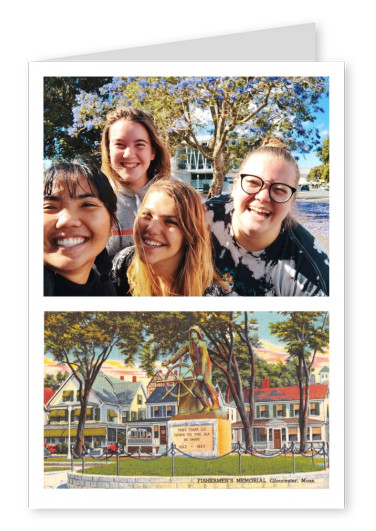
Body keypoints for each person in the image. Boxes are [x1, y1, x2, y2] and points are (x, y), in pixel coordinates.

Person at [206, 137, 329, 296]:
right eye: (253, 183)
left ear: (292, 201)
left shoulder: (311, 274)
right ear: (235, 186)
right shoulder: (202, 217)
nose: (263, 197)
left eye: (279, 189)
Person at [111, 180, 225, 296]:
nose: (151, 229)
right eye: (147, 215)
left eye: (170, 221)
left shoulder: (210, 293)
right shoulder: (122, 264)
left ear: (190, 234)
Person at [101, 106, 171, 256]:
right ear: (108, 151)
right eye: (119, 144)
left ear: (152, 152)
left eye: (139, 145)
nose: (129, 154)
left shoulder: (176, 197)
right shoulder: (95, 200)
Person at [43, 159, 118, 296]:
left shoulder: (107, 291)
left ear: (112, 223)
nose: (67, 221)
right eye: (50, 207)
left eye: (87, 205)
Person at [163, 326, 220, 412]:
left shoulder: (201, 345)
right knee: (196, 388)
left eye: (195, 332)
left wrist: (202, 374)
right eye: (191, 332)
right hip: (196, 367)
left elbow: (204, 360)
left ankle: (216, 404)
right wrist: (169, 361)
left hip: (205, 366)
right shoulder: (188, 345)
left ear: (198, 334)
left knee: (207, 382)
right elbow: (179, 353)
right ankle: (206, 406)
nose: (193, 334)